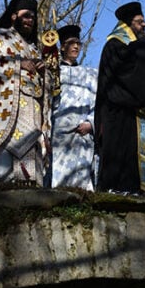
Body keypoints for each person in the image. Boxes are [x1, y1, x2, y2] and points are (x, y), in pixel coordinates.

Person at [0, 0, 55, 186]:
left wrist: (43, 71)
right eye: (26, 16)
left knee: (30, 147)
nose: (29, 20)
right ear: (14, 16)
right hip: (6, 108)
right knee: (5, 151)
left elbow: (47, 81)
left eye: (33, 17)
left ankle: (29, 185)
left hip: (32, 107)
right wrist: (18, 64)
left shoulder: (33, 49)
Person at [94, 1, 145, 196]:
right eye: (140, 22)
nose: (144, 26)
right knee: (119, 153)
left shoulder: (130, 46)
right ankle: (117, 189)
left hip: (131, 111)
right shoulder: (115, 44)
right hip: (117, 112)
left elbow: (136, 66)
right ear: (129, 23)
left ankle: (137, 190)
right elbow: (126, 68)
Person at [48, 24, 98, 190]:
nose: (76, 46)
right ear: (62, 47)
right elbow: (46, 104)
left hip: (83, 135)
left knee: (82, 180)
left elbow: (98, 103)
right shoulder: (53, 73)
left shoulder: (91, 74)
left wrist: (91, 123)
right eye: (71, 43)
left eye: (78, 43)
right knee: (58, 178)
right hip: (59, 135)